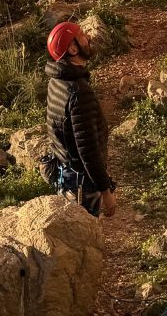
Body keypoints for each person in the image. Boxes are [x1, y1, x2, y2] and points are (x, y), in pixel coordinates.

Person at [44, 20, 116, 218]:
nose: (89, 38)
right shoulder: (78, 91)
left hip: (66, 172)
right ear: (73, 48)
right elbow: (88, 148)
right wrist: (105, 190)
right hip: (81, 181)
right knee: (84, 233)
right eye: (83, 35)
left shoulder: (57, 80)